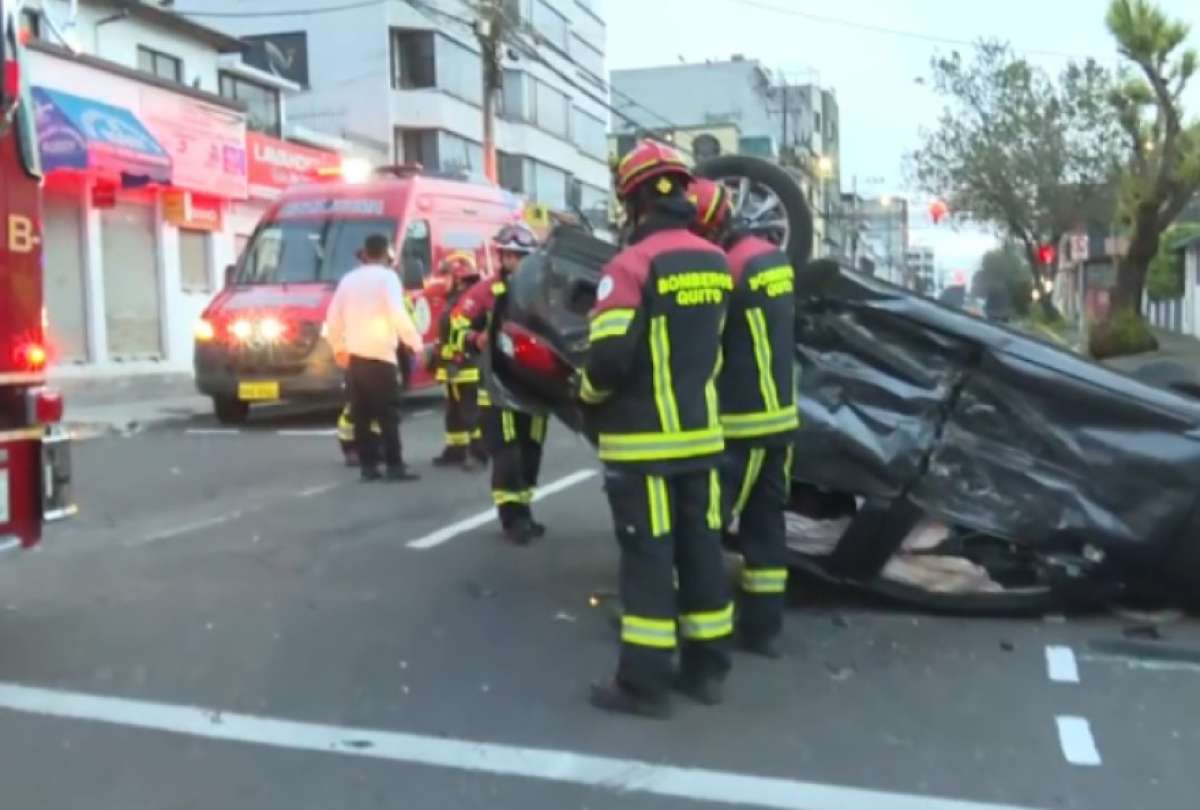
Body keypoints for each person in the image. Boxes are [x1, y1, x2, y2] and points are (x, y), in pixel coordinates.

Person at [578, 140, 734, 718]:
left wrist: (586, 396)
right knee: (702, 555)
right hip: (703, 440)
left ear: (636, 199)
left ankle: (643, 686)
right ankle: (706, 671)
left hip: (644, 446)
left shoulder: (629, 267)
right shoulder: (715, 262)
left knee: (647, 561)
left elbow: (610, 358)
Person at [687, 177, 799, 659]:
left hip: (739, 422)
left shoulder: (726, 269)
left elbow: (705, 346)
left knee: (704, 527)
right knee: (766, 529)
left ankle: (697, 625)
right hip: (780, 419)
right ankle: (764, 631)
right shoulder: (769, 256)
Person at [449, 223, 548, 544]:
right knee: (508, 453)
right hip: (498, 387)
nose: (513, 262)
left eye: (520, 256)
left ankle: (525, 511)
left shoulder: (543, 291)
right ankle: (511, 519)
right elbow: (455, 328)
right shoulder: (484, 293)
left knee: (531, 450)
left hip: (535, 388)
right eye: (508, 256)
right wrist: (475, 339)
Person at [324, 233, 425, 482]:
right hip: (381, 356)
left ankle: (368, 467)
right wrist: (415, 343)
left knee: (361, 414)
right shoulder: (387, 278)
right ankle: (394, 465)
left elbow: (333, 319)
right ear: (385, 253)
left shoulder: (348, 280)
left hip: (356, 357)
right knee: (387, 414)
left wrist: (338, 348)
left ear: (365, 253)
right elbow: (397, 313)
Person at [431, 251, 488, 471]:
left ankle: (479, 454)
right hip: (453, 368)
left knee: (471, 412)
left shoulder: (469, 302)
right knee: (453, 413)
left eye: (446, 276)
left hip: (467, 367)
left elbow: (468, 334)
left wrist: (455, 359)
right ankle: (456, 450)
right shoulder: (454, 300)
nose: (441, 281)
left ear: (458, 278)